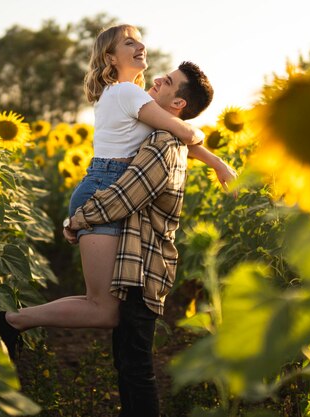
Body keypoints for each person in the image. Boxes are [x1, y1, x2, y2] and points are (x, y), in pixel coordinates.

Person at [0, 25, 233, 356]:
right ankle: (9, 321)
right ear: (110, 57)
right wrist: (211, 153)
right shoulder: (126, 93)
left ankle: (12, 321)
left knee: (104, 305)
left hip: (107, 185)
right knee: (102, 309)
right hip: (106, 188)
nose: (140, 45)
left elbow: (176, 138)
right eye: (129, 42)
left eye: (139, 39)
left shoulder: (129, 95)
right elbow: (183, 132)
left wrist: (216, 163)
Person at [62, 60, 217, 417]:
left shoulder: (162, 142)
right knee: (130, 365)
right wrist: (216, 162)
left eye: (169, 82)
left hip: (144, 267)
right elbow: (189, 140)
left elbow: (125, 197)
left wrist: (76, 220)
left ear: (178, 105)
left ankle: (14, 320)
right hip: (139, 262)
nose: (159, 79)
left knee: (136, 369)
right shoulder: (161, 135)